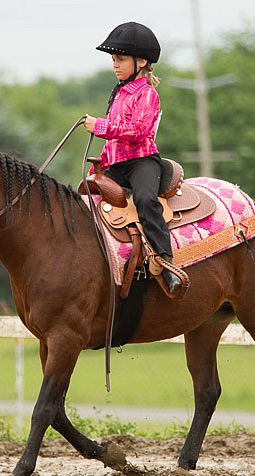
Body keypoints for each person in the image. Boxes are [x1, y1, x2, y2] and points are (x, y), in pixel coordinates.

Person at [84, 21, 182, 293]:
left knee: (145, 200)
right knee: (84, 194)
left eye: (121, 59)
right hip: (115, 164)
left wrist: (101, 126)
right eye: (114, 59)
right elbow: (114, 140)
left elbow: (138, 132)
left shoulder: (148, 94)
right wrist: (100, 164)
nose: (115, 65)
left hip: (141, 162)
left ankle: (165, 261)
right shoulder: (118, 92)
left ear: (141, 62)